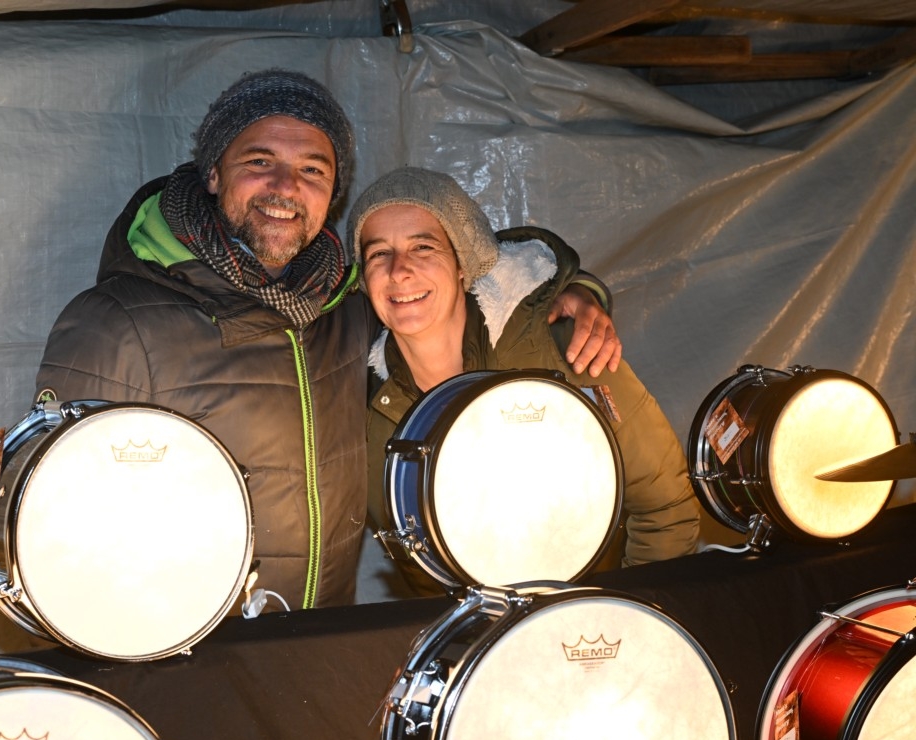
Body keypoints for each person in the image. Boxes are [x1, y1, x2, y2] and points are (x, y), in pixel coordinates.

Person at [35, 70, 620, 611]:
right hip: (187, 658)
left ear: (333, 193)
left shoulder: (344, 304)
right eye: (259, 160)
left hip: (324, 640)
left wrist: (578, 292)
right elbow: (50, 532)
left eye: (313, 169)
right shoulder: (116, 322)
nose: (286, 186)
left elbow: (468, 265)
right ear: (213, 172)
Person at [346, 167, 699, 593]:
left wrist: (619, 618)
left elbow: (666, 509)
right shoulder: (368, 408)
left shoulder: (567, 348)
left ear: (463, 264)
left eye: (424, 247)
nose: (399, 270)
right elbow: (426, 576)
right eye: (379, 254)